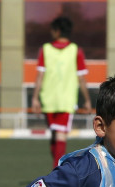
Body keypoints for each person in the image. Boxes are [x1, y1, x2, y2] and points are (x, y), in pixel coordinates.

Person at [31, 16, 92, 167]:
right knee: (59, 135)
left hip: (48, 99)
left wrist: (35, 98)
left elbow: (40, 76)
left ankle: (56, 173)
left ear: (57, 31)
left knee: (56, 134)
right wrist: (87, 99)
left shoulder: (45, 49)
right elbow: (81, 78)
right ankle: (58, 173)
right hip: (66, 100)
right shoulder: (76, 50)